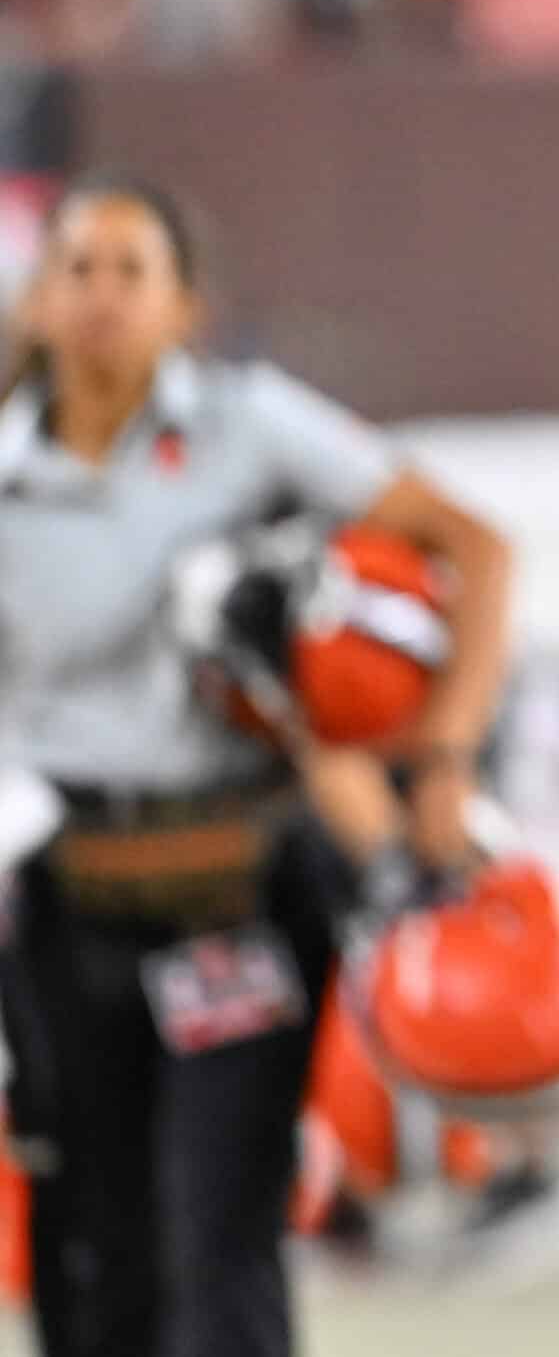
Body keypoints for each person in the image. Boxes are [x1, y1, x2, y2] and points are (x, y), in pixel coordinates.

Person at [0, 172, 510, 1357]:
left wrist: (440, 762)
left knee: (219, 1237)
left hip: (240, 898)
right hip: (68, 907)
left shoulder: (249, 424)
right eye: (78, 268)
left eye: (134, 271)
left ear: (187, 305)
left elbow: (477, 547)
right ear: (36, 300)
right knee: (89, 1250)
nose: (103, 297)